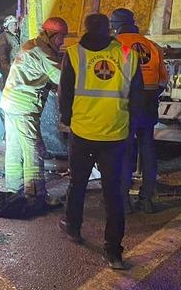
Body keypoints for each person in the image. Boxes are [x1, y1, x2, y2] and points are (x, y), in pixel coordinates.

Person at [59, 13, 143, 270]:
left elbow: (65, 93)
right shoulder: (127, 54)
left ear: (85, 28)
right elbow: (137, 95)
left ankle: (73, 227)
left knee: (78, 182)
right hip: (116, 133)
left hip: (83, 132)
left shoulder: (74, 54)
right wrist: (131, 125)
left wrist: (67, 120)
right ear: (109, 29)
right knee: (113, 193)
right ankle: (114, 252)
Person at [0, 17, 68, 205]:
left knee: (14, 148)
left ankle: (13, 189)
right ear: (50, 35)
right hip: (24, 107)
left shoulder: (31, 45)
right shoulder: (43, 53)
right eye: (60, 37)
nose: (62, 42)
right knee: (33, 149)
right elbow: (62, 79)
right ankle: (35, 194)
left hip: (10, 102)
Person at [111, 8, 168, 214]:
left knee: (125, 152)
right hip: (149, 102)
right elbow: (163, 80)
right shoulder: (152, 46)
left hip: (126, 104)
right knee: (148, 149)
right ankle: (147, 199)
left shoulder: (115, 45)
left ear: (115, 25)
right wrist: (151, 95)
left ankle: (124, 201)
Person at [0, 15, 22, 87]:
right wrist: (7, 67)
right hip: (9, 68)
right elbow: (2, 53)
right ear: (7, 26)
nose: (14, 26)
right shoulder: (4, 37)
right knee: (9, 86)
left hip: (18, 66)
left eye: (15, 24)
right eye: (11, 25)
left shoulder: (18, 35)